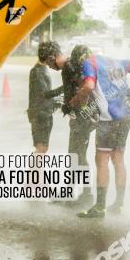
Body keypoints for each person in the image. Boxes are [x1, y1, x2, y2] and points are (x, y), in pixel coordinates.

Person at [71, 52, 130, 218]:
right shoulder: (116, 60)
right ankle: (118, 204)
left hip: (109, 119)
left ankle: (99, 208)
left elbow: (89, 85)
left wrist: (78, 99)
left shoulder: (89, 63)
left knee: (102, 159)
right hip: (126, 117)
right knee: (118, 158)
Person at [45, 44, 98, 206]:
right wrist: (56, 96)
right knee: (74, 154)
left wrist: (70, 104)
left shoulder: (69, 67)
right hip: (86, 114)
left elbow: (82, 87)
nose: (49, 67)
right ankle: (71, 191)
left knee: (78, 154)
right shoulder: (71, 66)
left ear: (52, 58)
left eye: (48, 63)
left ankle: (87, 193)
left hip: (83, 117)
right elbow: (71, 87)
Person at [29, 42, 61, 154]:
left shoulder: (42, 69)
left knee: (42, 148)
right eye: (53, 56)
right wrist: (64, 88)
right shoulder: (37, 71)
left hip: (44, 113)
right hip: (40, 115)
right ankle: (35, 171)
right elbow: (44, 94)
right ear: (48, 57)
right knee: (41, 148)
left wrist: (56, 103)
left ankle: (37, 171)